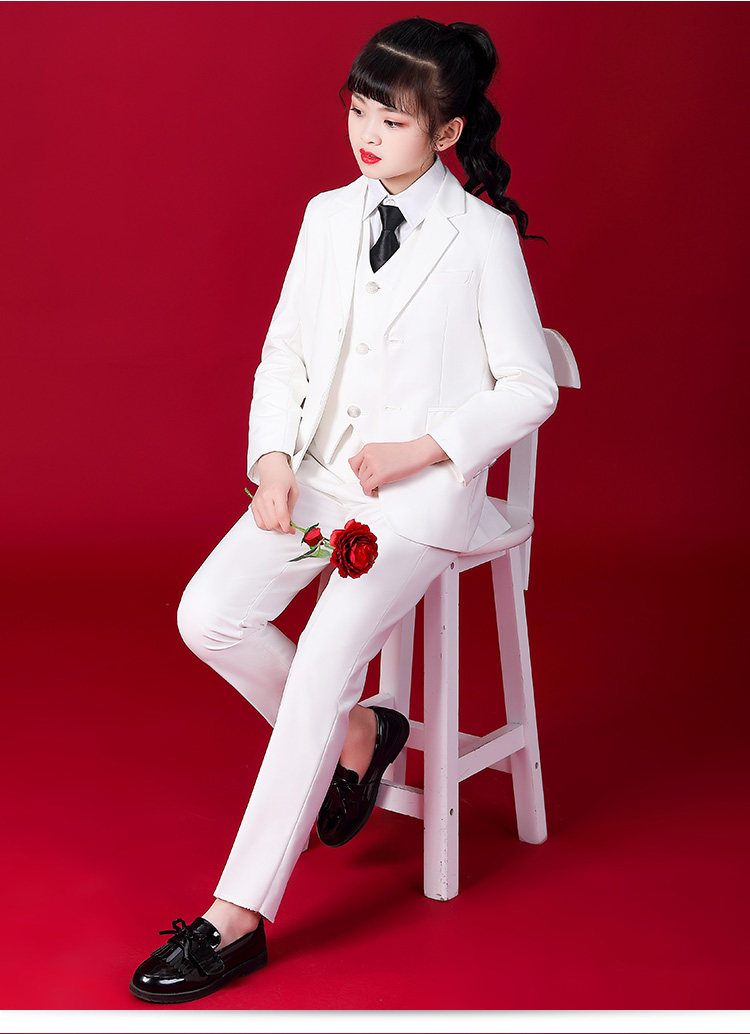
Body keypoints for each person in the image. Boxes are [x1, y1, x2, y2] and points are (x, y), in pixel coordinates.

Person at [130, 15, 559, 1004]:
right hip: (320, 482)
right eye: (360, 109)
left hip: (415, 500)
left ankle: (237, 916)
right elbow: (285, 352)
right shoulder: (328, 216)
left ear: (447, 132)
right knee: (208, 614)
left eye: (394, 120)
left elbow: (530, 386)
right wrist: (273, 462)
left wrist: (426, 447)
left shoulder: (482, 237)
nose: (368, 133)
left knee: (324, 657)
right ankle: (362, 734)